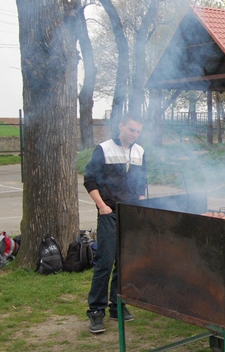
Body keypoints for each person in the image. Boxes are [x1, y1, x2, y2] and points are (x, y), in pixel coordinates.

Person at [84, 113, 148, 334]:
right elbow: (89, 179)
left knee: (125, 261)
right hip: (109, 211)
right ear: (120, 126)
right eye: (131, 130)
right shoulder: (103, 149)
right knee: (105, 261)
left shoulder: (139, 151)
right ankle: (96, 312)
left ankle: (117, 306)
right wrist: (102, 206)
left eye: (137, 131)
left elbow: (142, 181)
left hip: (130, 212)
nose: (134, 134)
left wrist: (140, 200)